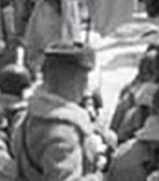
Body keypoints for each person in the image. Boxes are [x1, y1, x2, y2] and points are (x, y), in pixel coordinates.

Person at [9, 42, 108, 180]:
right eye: (84, 79)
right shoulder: (63, 135)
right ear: (77, 80)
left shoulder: (27, 117)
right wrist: (97, 175)